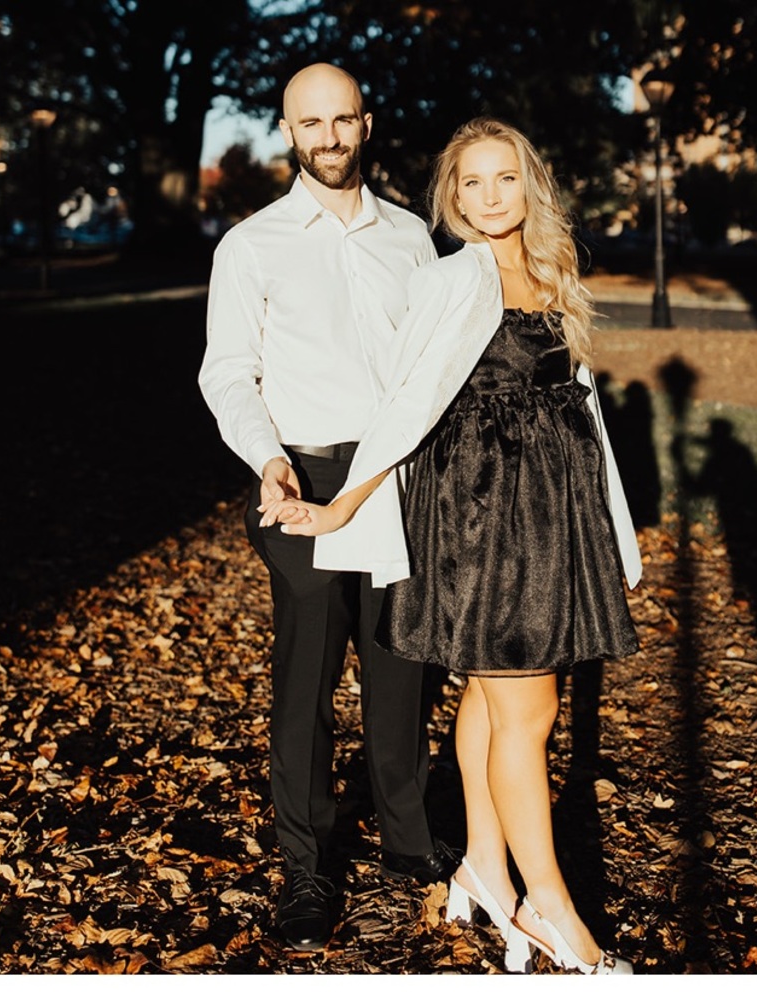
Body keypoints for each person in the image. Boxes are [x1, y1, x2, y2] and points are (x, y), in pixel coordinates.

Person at [261, 117, 641, 974]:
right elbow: (406, 405)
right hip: (482, 517)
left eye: (504, 178)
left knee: (489, 701)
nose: (489, 196)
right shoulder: (454, 278)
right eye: (471, 183)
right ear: (453, 196)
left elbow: (582, 406)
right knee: (530, 711)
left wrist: (608, 529)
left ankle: (480, 864)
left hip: (551, 513)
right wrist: (340, 507)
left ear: (529, 183)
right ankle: (552, 910)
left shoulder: (551, 268)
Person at [198, 63, 459, 953]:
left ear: (367, 124)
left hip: (394, 479)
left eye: (343, 120)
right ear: (288, 131)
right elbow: (229, 372)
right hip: (300, 478)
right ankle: (306, 866)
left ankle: (408, 840)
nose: (329, 138)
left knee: (401, 669)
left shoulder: (413, 241)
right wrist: (268, 461)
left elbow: (430, 370)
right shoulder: (252, 245)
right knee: (305, 678)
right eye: (312, 124)